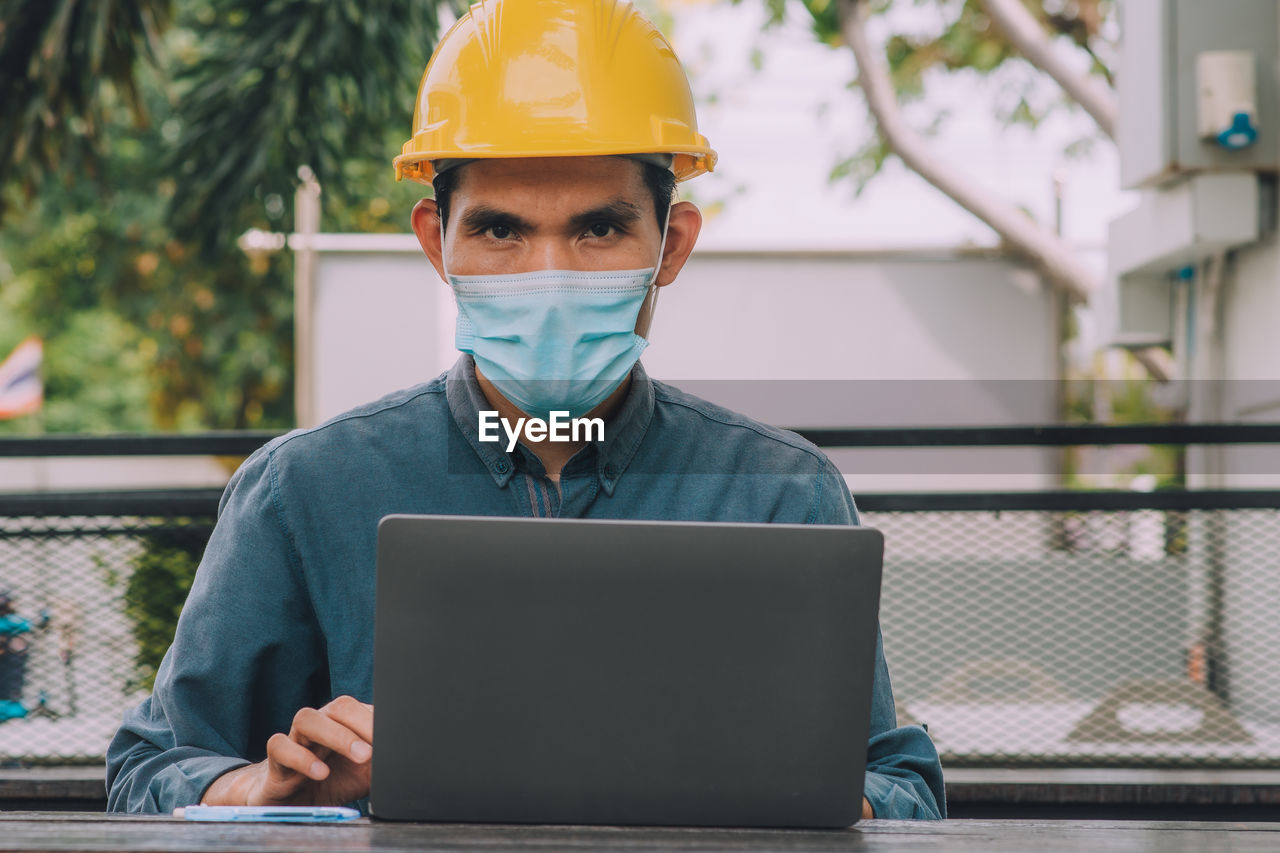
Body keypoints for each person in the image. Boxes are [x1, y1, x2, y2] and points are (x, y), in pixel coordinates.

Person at [107, 0, 945, 820]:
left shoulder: (780, 492)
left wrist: (815, 798)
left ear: (672, 244)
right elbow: (150, 768)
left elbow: (900, 785)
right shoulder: (303, 490)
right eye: (501, 230)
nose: (548, 275)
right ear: (439, 242)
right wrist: (256, 787)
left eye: (598, 230)